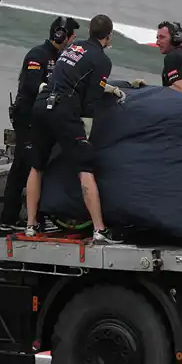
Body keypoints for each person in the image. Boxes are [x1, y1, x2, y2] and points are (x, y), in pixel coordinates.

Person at [24, 14, 126, 244]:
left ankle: (31, 225)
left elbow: (71, 75)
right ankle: (100, 229)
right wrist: (85, 137)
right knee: (85, 167)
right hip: (63, 110)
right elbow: (90, 100)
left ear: (89, 31)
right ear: (109, 37)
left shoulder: (75, 46)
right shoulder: (102, 60)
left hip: (41, 104)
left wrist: (109, 88)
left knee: (36, 166)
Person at [0, 15, 79, 232]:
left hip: (44, 117)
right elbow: (32, 86)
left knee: (40, 164)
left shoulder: (62, 57)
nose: (72, 41)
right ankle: (8, 219)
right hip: (27, 118)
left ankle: (38, 216)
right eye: (72, 37)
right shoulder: (38, 55)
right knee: (23, 166)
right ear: (62, 35)